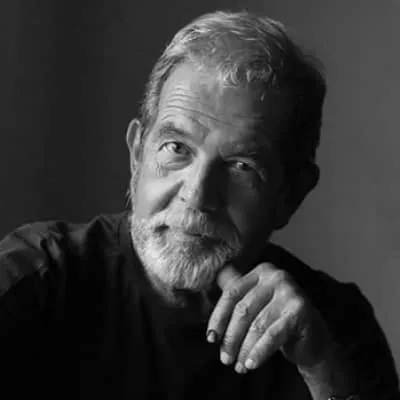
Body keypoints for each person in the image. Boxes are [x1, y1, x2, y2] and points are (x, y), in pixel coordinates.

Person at [0, 10, 398, 400]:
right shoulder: (35, 278)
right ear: (137, 154)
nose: (197, 196)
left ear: (290, 194)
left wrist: (323, 374)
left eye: (241, 166)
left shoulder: (334, 332)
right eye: (176, 148)